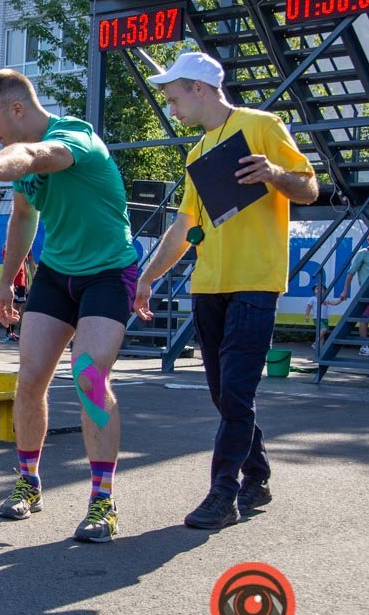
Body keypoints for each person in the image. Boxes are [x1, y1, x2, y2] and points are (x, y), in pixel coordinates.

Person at [134, 51, 318, 529]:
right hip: (208, 285)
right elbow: (182, 226)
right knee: (223, 394)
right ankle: (257, 473)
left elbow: (309, 188)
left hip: (256, 283)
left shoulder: (262, 125)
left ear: (199, 88)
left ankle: (224, 492)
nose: (172, 110)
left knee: (236, 391)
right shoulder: (198, 152)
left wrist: (275, 175)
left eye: (174, 99)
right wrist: (148, 278)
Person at [0, 69, 138, 543]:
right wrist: (4, 286)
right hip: (56, 274)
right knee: (30, 377)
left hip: (107, 272)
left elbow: (33, 154)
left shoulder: (73, 136)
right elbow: (22, 217)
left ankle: (102, 501)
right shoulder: (24, 169)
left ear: (17, 109)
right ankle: (28, 482)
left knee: (90, 376)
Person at [338, 229, 369, 356]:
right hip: (367, 292)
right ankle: (364, 345)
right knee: (364, 318)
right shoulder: (362, 253)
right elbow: (350, 273)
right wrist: (345, 290)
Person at [305, 280, 340, 349]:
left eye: (321, 289)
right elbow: (308, 307)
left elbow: (334, 303)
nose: (319, 290)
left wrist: (341, 300)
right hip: (317, 318)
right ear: (314, 290)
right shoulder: (312, 299)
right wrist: (307, 316)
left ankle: (320, 350)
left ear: (324, 291)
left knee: (322, 334)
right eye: (317, 289)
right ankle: (316, 342)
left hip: (325, 318)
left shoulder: (326, 299)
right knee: (324, 329)